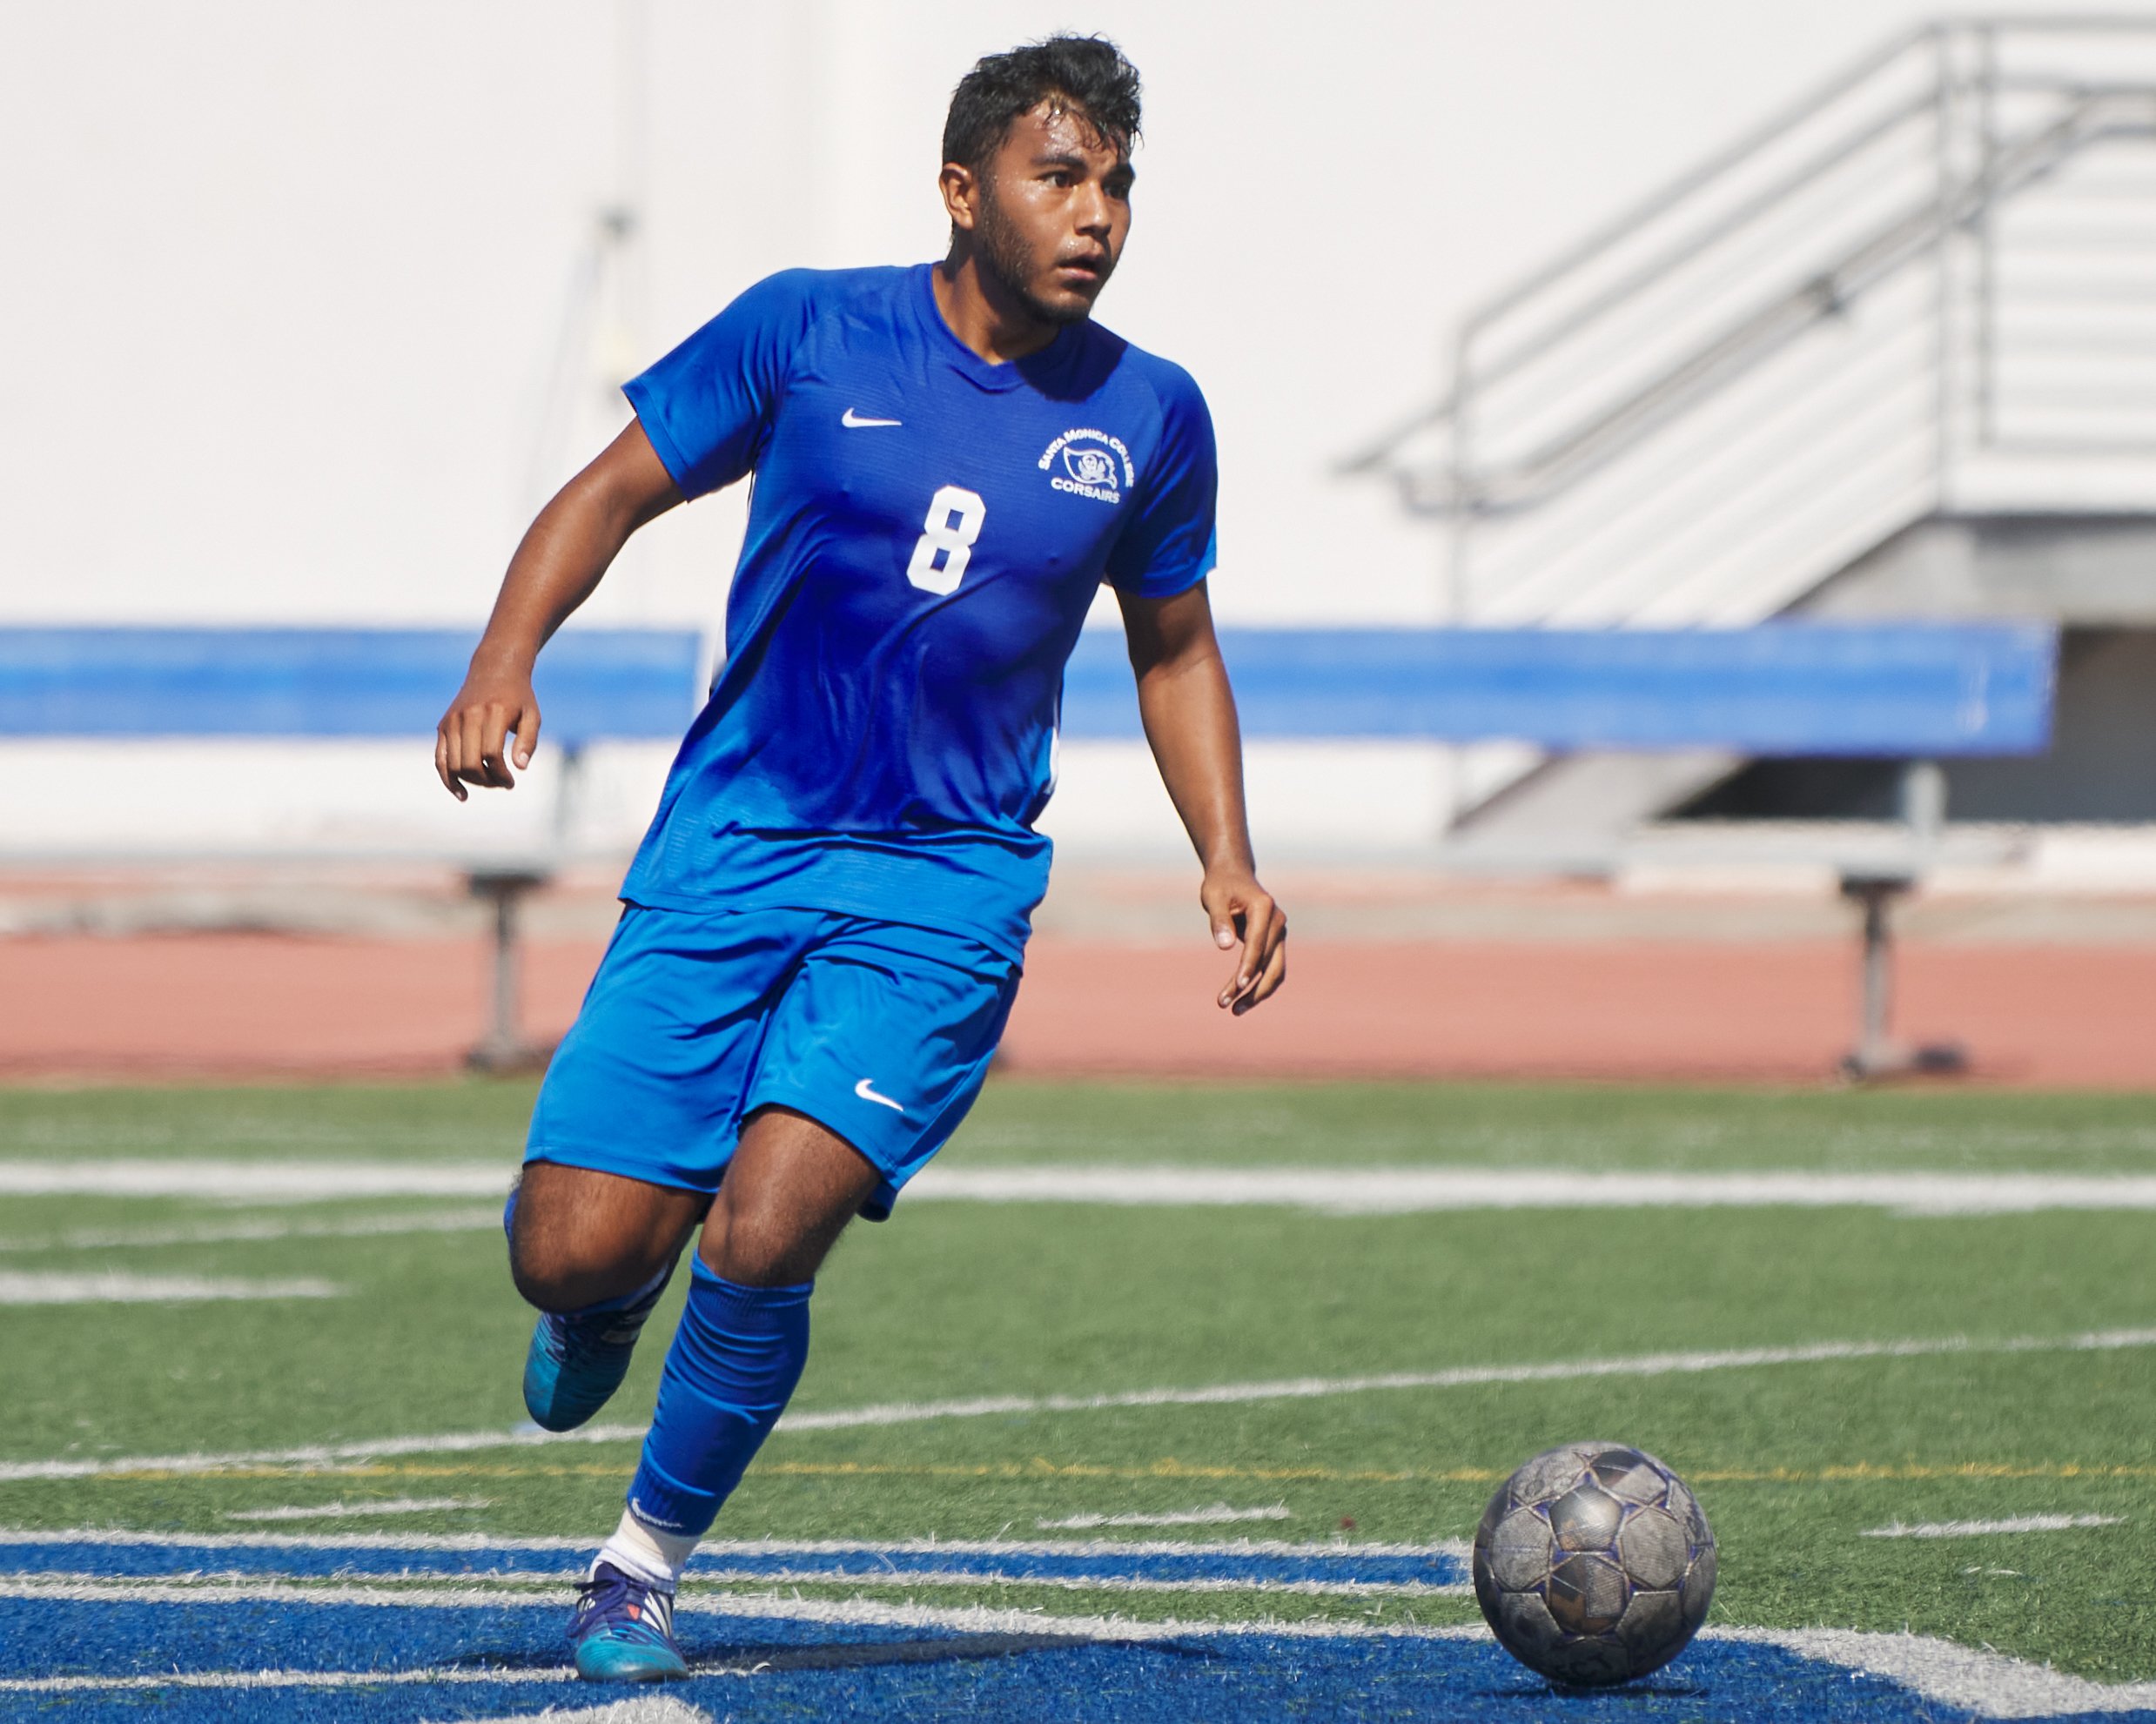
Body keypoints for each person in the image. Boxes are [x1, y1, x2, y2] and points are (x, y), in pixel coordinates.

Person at [434, 33, 1286, 1683]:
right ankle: (602, 1302)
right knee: (571, 1244)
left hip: (943, 889)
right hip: (733, 847)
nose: (1095, 213)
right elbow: (608, 493)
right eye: (1060, 177)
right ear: (963, 193)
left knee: (770, 1219)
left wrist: (1226, 856)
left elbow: (1172, 647)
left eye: (1115, 183)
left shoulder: (1152, 414)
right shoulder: (808, 327)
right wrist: (502, 662)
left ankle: (638, 1566)